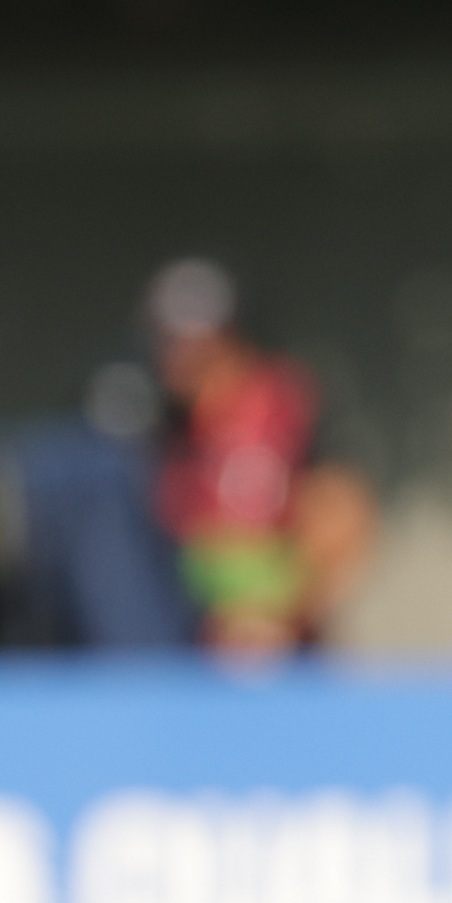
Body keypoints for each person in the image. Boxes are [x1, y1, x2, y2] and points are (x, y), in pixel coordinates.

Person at [141, 259, 372, 653]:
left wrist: (281, 611)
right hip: (193, 659)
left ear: (231, 335)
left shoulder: (285, 402)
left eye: (193, 339)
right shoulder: (166, 425)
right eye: (169, 338)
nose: (178, 355)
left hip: (287, 655)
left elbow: (343, 515)